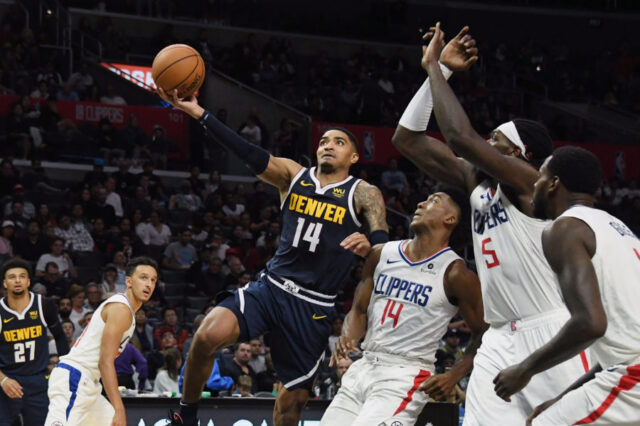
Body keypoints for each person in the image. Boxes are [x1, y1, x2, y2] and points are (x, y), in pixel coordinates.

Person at [392, 24, 588, 425]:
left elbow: (462, 138)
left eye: (495, 139)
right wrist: (441, 73)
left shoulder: (530, 182)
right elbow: (407, 139)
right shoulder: (476, 182)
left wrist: (432, 65)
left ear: (520, 152)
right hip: (499, 336)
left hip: (550, 330)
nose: (486, 143)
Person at [157, 84, 388, 426]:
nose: (328, 145)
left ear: (354, 157)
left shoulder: (364, 194)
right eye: (324, 141)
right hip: (272, 287)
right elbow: (248, 152)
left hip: (313, 306)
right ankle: (186, 416)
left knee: (290, 406)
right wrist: (199, 113)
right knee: (206, 335)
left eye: (339, 142)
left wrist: (370, 246)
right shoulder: (294, 176)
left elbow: (382, 248)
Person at [492, 147, 640, 425]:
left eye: (540, 177)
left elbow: (590, 324)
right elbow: (616, 348)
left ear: (553, 183)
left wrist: (524, 369)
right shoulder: (616, 227)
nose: (534, 184)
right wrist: (563, 397)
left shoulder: (564, 229)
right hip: (626, 371)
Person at [320, 190, 486, 425]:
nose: (420, 202)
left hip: (405, 374)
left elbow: (483, 333)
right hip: (364, 365)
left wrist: (454, 374)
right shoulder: (381, 254)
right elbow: (358, 310)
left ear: (450, 219)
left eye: (433, 201)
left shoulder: (456, 273)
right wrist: (348, 335)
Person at [45, 257, 158, 425]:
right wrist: (119, 408)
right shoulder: (121, 309)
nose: (149, 284)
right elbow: (105, 362)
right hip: (74, 378)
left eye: (153, 280)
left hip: (89, 384)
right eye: (143, 278)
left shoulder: (126, 310)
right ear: (128, 281)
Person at [0, 259, 70, 426]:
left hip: (38, 380)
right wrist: (2, 380)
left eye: (22, 276)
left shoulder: (44, 305)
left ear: (28, 281)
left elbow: (60, 337)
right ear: (4, 283)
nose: (17, 281)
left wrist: (63, 367)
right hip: (7, 381)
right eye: (12, 277)